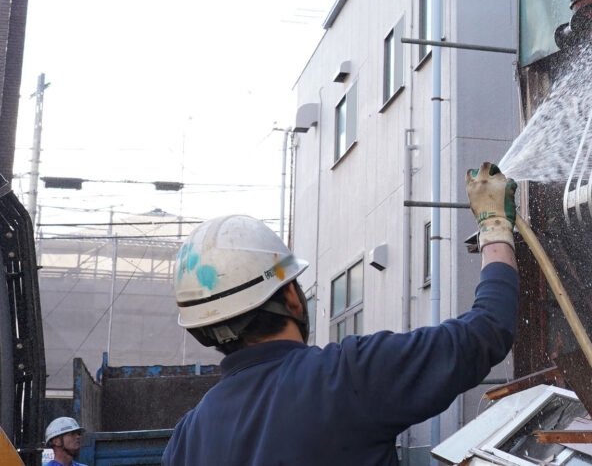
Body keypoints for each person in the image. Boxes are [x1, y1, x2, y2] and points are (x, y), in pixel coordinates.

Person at [162, 162, 519, 465]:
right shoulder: (346, 375)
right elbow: (487, 329)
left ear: (205, 328)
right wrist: (494, 224)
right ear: (291, 297)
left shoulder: (187, 440)